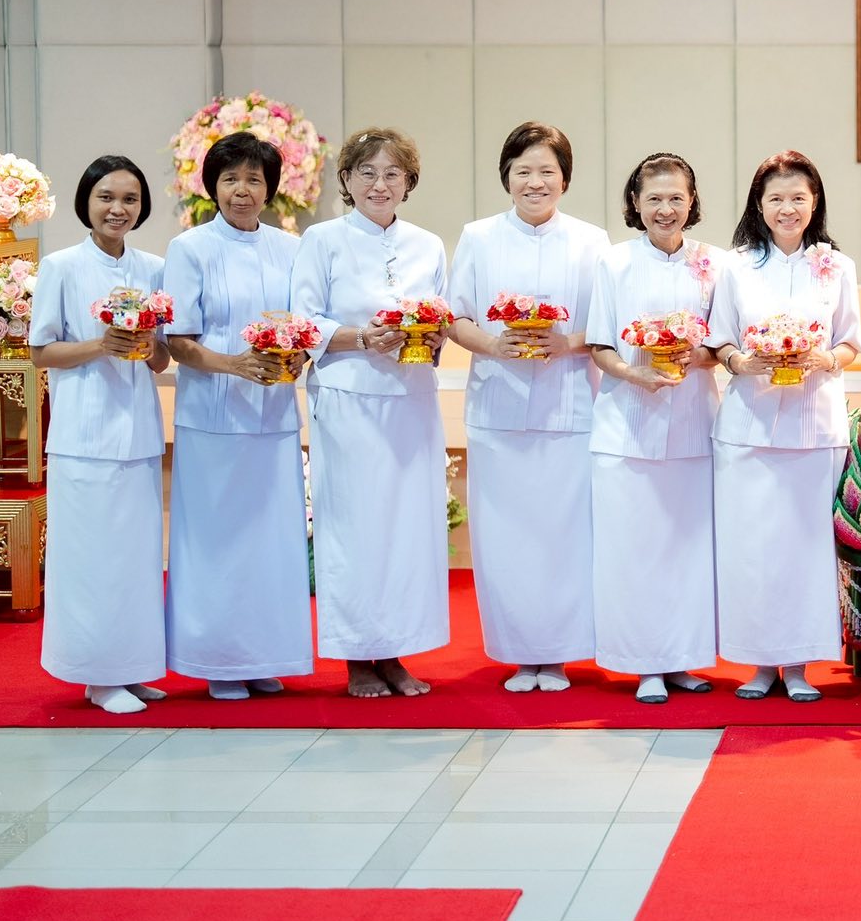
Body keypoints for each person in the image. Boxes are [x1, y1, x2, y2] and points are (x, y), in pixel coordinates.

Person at [447, 122, 606, 693]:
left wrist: (570, 341)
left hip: (569, 406)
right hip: (498, 405)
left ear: (564, 178)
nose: (535, 182)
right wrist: (492, 342)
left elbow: (608, 324)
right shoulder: (479, 237)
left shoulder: (592, 241)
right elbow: (456, 315)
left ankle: (558, 654)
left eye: (547, 171)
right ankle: (519, 654)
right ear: (506, 177)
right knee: (506, 533)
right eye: (523, 171)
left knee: (562, 532)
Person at [292, 127, 449, 699]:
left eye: (392, 175)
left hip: (410, 401)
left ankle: (395, 651)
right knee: (353, 528)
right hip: (348, 402)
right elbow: (303, 323)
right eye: (367, 173)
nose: (379, 185)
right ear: (346, 181)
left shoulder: (428, 244)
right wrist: (362, 337)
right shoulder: (323, 240)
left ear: (409, 183)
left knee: (405, 530)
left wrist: (430, 340)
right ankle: (358, 655)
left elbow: (441, 321)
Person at [707, 151, 861, 701]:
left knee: (804, 547)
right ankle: (757, 662)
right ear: (759, 204)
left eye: (798, 197)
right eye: (776, 198)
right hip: (748, 426)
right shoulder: (736, 265)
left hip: (814, 426)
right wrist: (741, 362)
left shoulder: (835, 266)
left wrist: (826, 359)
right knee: (753, 546)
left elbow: (850, 342)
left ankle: (798, 663)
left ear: (814, 201)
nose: (787, 208)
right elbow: (720, 339)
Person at [161, 132, 312, 700]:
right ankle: (220, 661)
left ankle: (262, 655)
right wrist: (233, 365)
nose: (242, 191)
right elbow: (178, 340)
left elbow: (303, 325)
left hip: (274, 415)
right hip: (211, 419)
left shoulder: (291, 249)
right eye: (230, 179)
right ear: (213, 187)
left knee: (270, 540)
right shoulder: (191, 249)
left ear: (271, 187)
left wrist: (296, 354)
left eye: (254, 179)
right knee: (217, 540)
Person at [33, 156, 172, 714]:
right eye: (106, 197)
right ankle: (95, 675)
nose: (118, 209)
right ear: (86, 201)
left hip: (138, 431)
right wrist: (101, 344)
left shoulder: (154, 268)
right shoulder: (61, 266)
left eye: (130, 200)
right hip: (82, 434)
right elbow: (41, 351)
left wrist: (150, 346)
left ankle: (131, 668)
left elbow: (162, 357)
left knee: (136, 559)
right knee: (91, 560)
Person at [586, 153, 722, 703]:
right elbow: (599, 345)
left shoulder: (715, 263)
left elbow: (721, 345)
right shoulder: (613, 264)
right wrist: (633, 372)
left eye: (676, 198)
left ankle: (684, 658)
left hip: (693, 423)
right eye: (654, 198)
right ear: (635, 204)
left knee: (688, 547)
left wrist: (700, 357)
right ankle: (644, 661)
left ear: (692, 202)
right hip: (628, 426)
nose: (665, 208)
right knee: (637, 546)